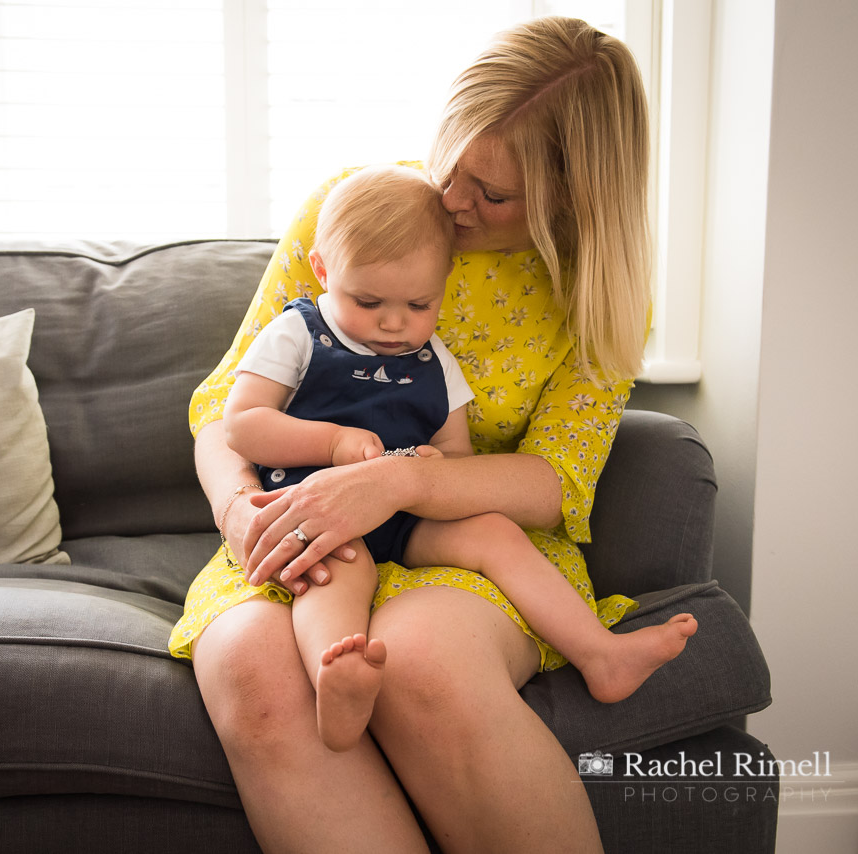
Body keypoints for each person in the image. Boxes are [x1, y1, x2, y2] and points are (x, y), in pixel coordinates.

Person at [169, 16, 663, 853]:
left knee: (422, 662)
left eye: (494, 194)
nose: (454, 201)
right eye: (455, 165)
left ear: (573, 199)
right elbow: (225, 415)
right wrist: (238, 511)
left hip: (461, 538)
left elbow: (554, 480)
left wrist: (398, 481)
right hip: (302, 512)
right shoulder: (355, 213)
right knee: (254, 667)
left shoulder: (594, 292)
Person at [222, 164, 697, 755]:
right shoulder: (299, 332)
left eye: (418, 304)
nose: (395, 324)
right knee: (334, 572)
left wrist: (428, 467)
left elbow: (457, 454)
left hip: (409, 513)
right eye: (368, 301)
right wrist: (333, 445)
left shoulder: (432, 356)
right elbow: (241, 424)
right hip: (315, 512)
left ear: (445, 285)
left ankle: (600, 653)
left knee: (494, 533)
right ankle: (336, 676)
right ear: (323, 271)